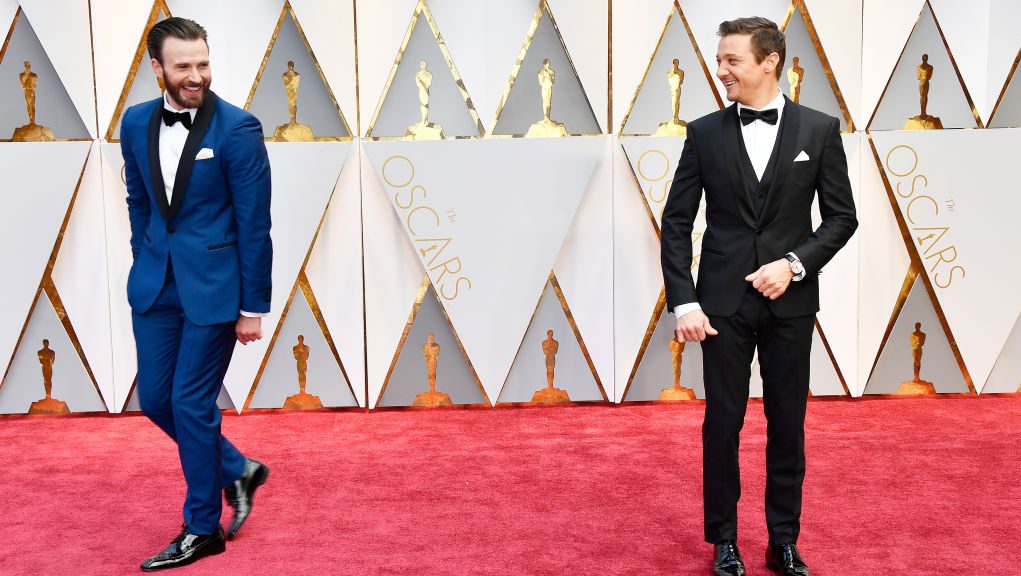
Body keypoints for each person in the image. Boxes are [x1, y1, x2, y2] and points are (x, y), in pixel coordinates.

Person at [661, 17, 857, 576]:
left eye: (733, 61)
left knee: (787, 424)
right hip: (720, 306)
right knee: (722, 424)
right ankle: (723, 540)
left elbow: (841, 218)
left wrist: (793, 265)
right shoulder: (703, 133)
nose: (721, 70)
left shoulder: (819, 129)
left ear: (770, 61)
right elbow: (676, 223)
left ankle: (783, 541)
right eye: (720, 60)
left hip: (790, 304)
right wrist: (685, 301)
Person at [120, 17, 273, 571]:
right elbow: (139, 200)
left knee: (189, 402)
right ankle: (237, 468)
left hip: (215, 290)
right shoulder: (135, 121)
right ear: (157, 68)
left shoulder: (238, 128)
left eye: (203, 64)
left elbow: (255, 223)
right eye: (183, 65)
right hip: (156, 285)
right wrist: (144, 255)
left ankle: (202, 527)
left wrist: (252, 306)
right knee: (156, 400)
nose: (196, 76)